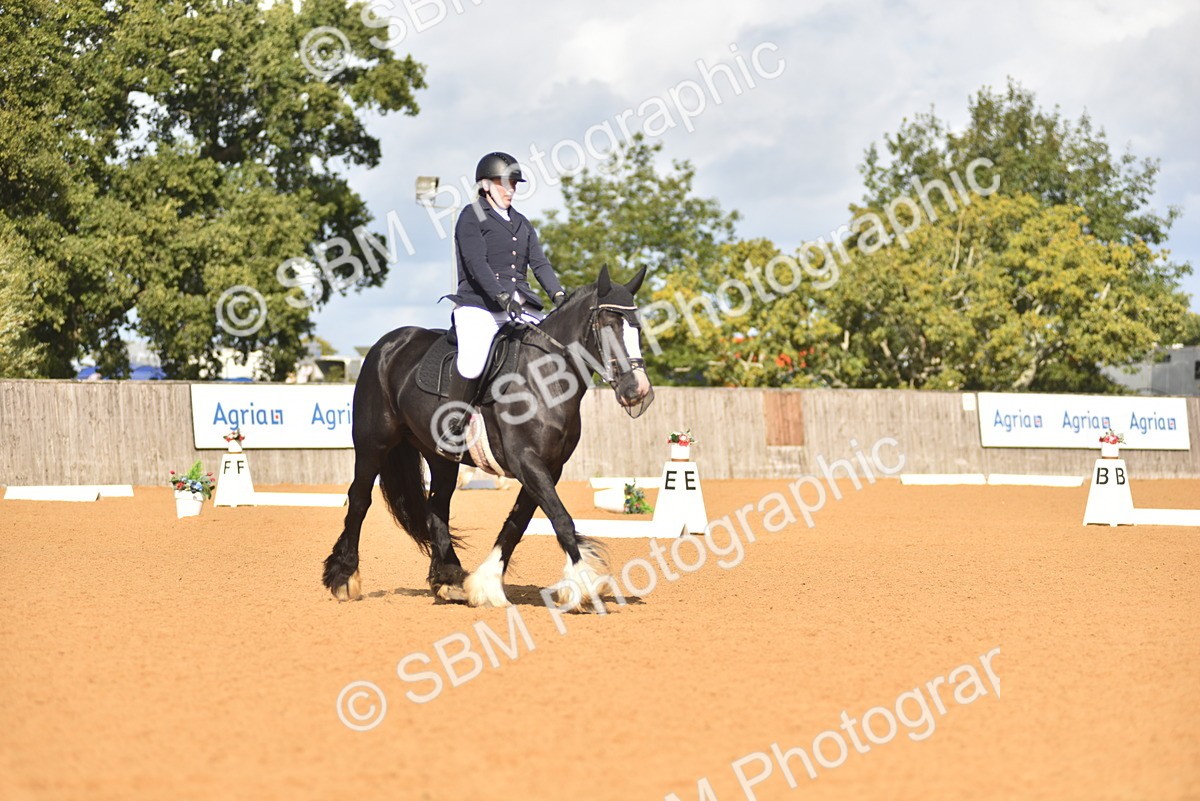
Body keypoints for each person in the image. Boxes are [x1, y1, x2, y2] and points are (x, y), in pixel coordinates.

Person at [436, 151, 567, 459]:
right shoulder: (472, 215)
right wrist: (500, 297)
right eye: (503, 183)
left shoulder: (522, 223)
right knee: (473, 360)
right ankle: (452, 428)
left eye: (514, 184)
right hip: (479, 305)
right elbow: (476, 262)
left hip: (520, 305)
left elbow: (540, 263)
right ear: (485, 185)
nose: (510, 189)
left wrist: (559, 295)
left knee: (555, 347)